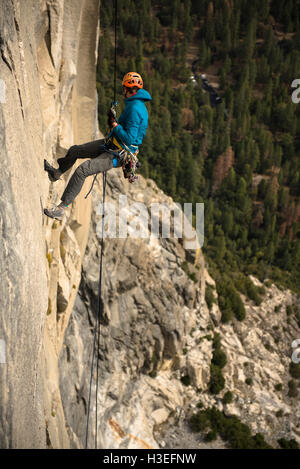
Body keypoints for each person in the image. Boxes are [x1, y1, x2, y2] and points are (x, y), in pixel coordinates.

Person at [44, 72, 152, 220]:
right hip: (111, 144)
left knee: (82, 170)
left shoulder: (135, 109)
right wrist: (115, 121)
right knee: (76, 150)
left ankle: (61, 209)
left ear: (127, 89)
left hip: (117, 154)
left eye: (123, 89)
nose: (122, 92)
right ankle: (57, 173)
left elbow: (129, 138)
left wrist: (115, 125)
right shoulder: (135, 104)